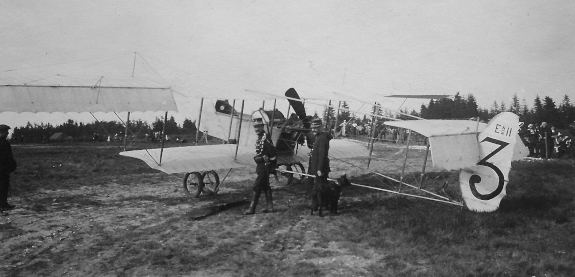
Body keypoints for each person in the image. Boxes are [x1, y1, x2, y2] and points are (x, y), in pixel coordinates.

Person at [244, 118, 277, 215]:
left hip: (265, 166)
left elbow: (273, 152)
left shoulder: (265, 137)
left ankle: (252, 208)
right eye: (255, 127)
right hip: (261, 166)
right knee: (265, 186)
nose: (257, 129)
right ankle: (270, 207)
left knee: (256, 186)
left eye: (258, 126)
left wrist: (270, 163)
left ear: (263, 127)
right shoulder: (260, 137)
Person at [307, 118, 332, 188]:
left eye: (315, 128)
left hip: (321, 168)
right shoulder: (318, 136)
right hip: (316, 166)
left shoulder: (322, 138)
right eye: (312, 128)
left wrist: (319, 169)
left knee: (321, 187)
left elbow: (322, 155)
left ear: (321, 127)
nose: (313, 130)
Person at [0, 124, 17, 211]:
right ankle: (3, 204)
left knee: (4, 186)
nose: (7, 133)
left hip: (4, 168)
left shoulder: (4, 142)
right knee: (3, 186)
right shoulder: (3, 143)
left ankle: (4, 204)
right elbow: (6, 157)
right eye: (6, 132)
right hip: (3, 169)